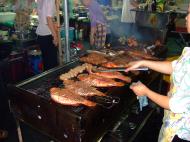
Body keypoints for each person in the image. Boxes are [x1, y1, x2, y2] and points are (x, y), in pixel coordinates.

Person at [126, 4, 190, 142]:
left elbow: (175, 105)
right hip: (173, 121)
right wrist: (144, 62)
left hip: (180, 131)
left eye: (189, 13)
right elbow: (174, 66)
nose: (186, 17)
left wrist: (146, 92)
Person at [36, 0, 58, 71]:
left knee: (46, 62)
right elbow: (48, 19)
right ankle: (52, 81)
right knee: (52, 64)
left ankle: (47, 81)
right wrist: (55, 36)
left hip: (41, 34)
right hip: (48, 34)